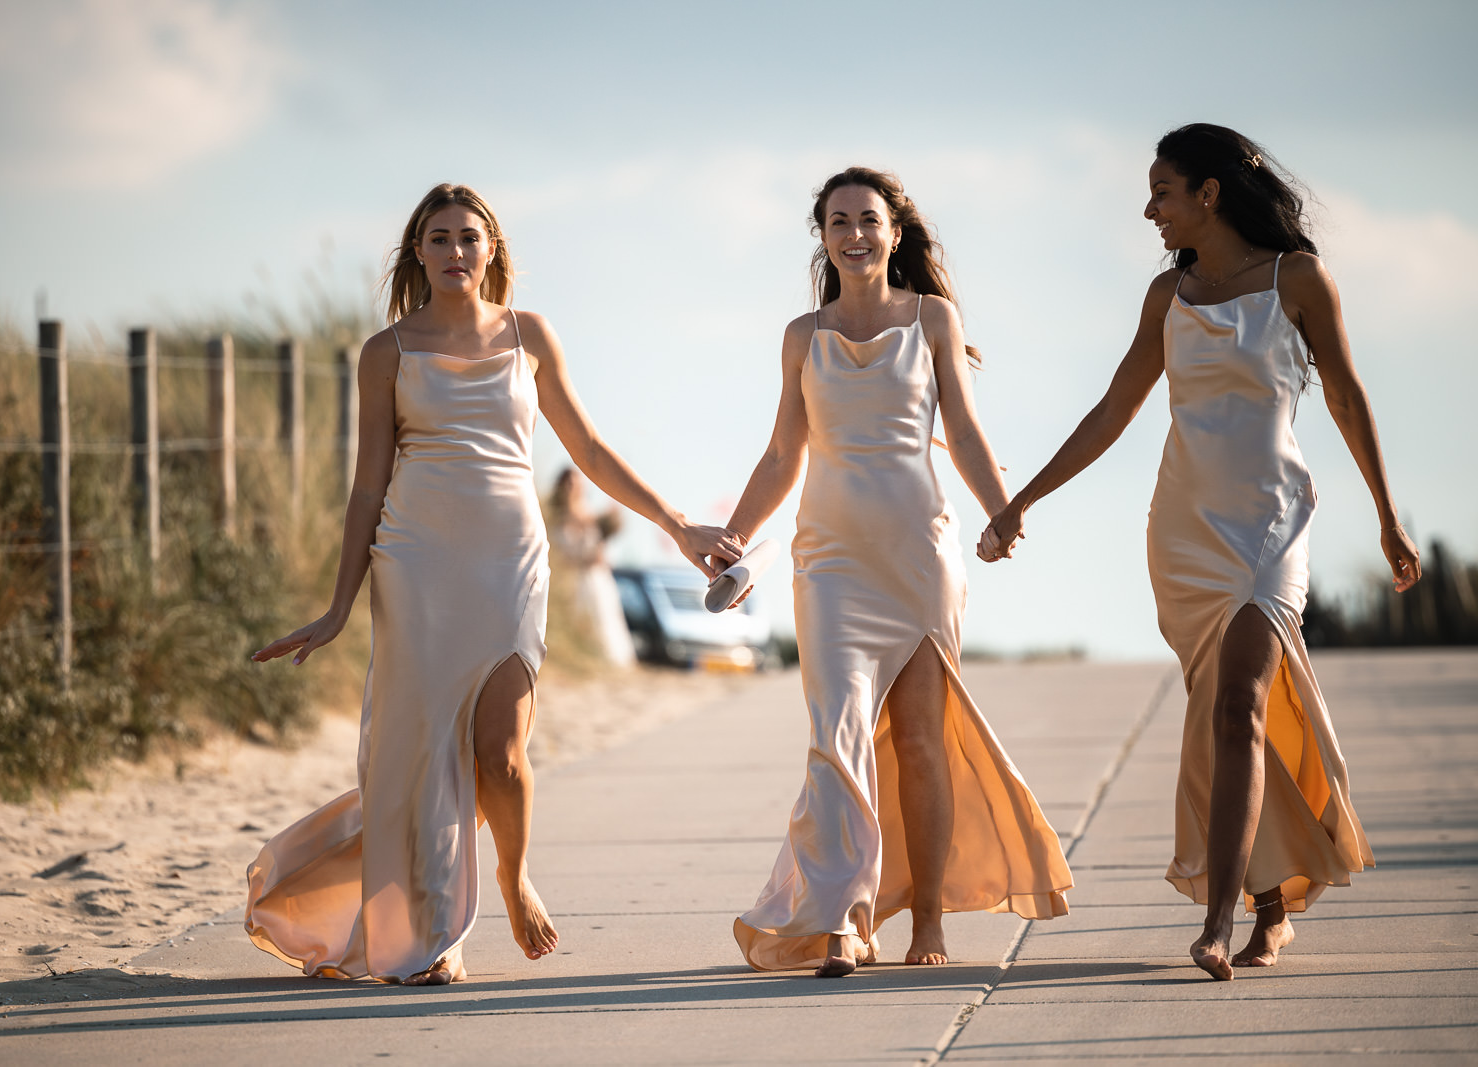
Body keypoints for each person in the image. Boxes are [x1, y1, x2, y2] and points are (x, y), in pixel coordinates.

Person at [245, 183, 741, 985]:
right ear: (418, 253)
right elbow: (368, 486)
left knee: (500, 753)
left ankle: (508, 879)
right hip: (415, 567)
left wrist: (678, 523)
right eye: (438, 239)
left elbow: (587, 446)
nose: (454, 252)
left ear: (493, 250)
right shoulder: (388, 352)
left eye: (469, 238)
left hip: (510, 560)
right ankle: (440, 930)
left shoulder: (529, 334)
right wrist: (340, 604)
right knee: (417, 753)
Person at [979, 124, 1421, 980]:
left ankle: (1218, 919)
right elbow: (1113, 410)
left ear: (1210, 194)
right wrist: (1020, 499)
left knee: (1241, 708)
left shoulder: (1299, 278)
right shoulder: (1165, 297)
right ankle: (1264, 902)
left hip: (1269, 524)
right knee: (1225, 718)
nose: (1150, 209)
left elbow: (1345, 394)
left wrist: (1388, 516)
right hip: (1184, 529)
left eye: (1163, 192)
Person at [721, 167, 1072, 978]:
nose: (855, 234)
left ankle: (925, 923)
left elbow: (968, 430)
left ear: (896, 231)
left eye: (869, 220)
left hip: (920, 552)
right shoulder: (801, 336)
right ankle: (841, 919)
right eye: (839, 221)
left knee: (919, 741)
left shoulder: (933, 319)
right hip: (831, 560)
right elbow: (784, 452)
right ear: (823, 234)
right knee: (836, 732)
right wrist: (736, 535)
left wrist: (1002, 508)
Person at [547, 466, 637, 668]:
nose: (571, 487)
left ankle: (608, 661)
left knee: (603, 618)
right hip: (570, 579)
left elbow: (601, 553)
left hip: (595, 579)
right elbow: (557, 553)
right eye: (568, 482)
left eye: (575, 482)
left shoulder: (592, 515)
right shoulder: (555, 517)